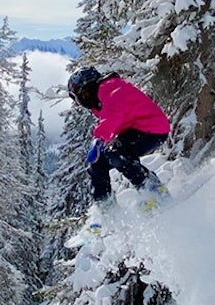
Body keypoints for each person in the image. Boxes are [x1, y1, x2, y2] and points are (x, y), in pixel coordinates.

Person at [66, 67, 171, 205]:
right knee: (98, 163)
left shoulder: (111, 88)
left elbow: (113, 116)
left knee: (115, 152)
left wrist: (99, 138)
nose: (84, 101)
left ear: (91, 86)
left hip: (153, 129)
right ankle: (105, 207)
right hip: (136, 130)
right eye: (80, 99)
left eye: (84, 95)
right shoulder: (102, 98)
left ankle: (151, 188)